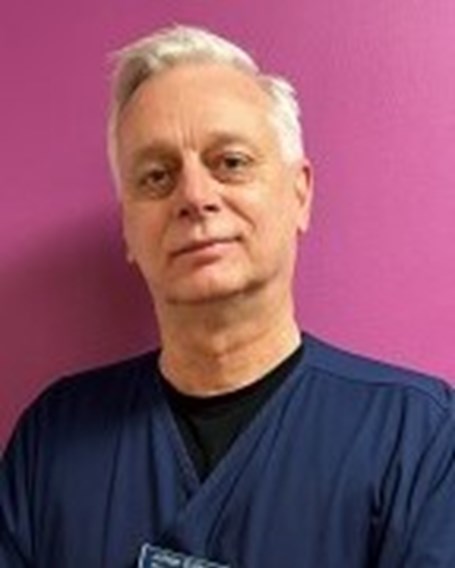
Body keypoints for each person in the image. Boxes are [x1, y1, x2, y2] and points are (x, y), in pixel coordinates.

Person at [1, 24, 454, 568]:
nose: (195, 196)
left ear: (300, 192)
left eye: (231, 162)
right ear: (128, 229)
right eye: (156, 176)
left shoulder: (420, 440)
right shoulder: (51, 441)